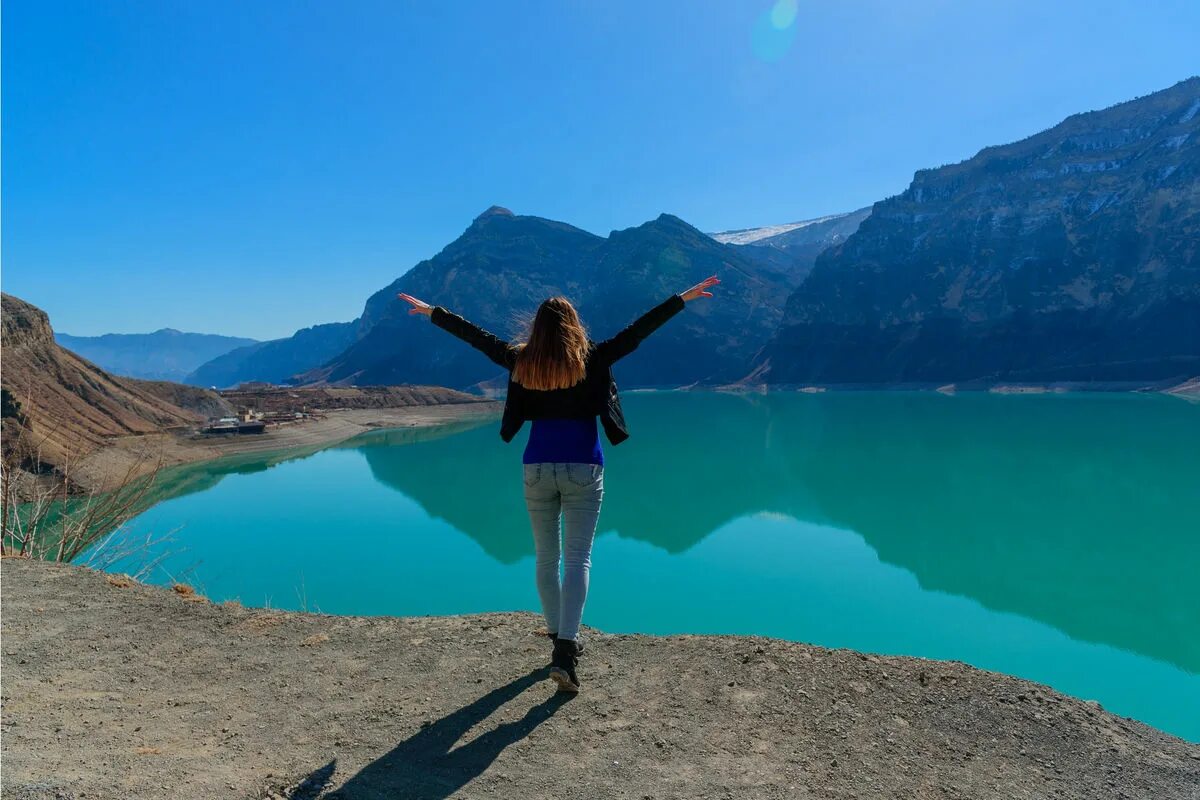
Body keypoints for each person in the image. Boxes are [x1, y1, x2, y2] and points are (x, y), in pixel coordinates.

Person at [399, 276, 719, 692]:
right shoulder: (594, 358)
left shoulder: (522, 361)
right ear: (573, 324)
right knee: (578, 560)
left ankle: (557, 638)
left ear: (536, 328)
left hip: (536, 468)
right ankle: (566, 649)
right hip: (584, 468)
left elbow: (478, 339)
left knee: (545, 559)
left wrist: (434, 314)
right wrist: (681, 299)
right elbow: (637, 332)